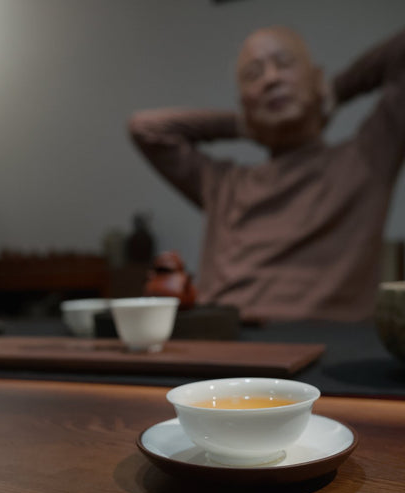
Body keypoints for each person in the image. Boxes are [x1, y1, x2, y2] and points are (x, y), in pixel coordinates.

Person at [128, 26, 405, 323]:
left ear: (316, 78)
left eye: (284, 64)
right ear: (244, 103)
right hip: (224, 339)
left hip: (326, 347)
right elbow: (146, 129)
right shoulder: (224, 184)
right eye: (253, 75)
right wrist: (244, 125)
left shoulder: (365, 160)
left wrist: (335, 90)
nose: (271, 79)